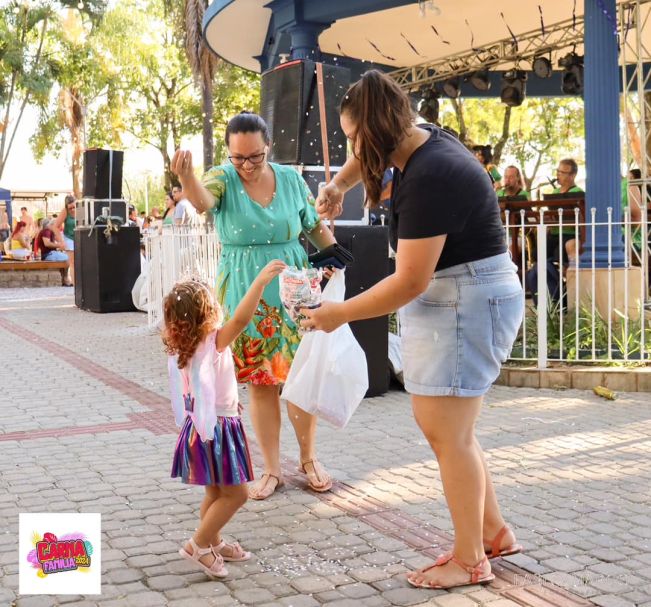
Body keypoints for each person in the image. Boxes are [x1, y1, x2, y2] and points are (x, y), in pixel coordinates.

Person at [306, 70, 524, 590]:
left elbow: (408, 281)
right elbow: (365, 158)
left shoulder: (430, 176)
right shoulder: (414, 134)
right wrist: (338, 185)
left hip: (465, 296)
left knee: (448, 432)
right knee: (451, 430)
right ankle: (492, 533)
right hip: (461, 291)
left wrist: (339, 313)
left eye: (354, 138)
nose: (352, 149)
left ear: (378, 130)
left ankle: (470, 559)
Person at [171, 111, 337, 500]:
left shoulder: (291, 179)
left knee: (299, 377)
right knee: (262, 382)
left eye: (255, 157)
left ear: (268, 148)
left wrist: (336, 257)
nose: (246, 166)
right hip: (245, 288)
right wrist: (187, 177)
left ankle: (309, 459)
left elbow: (312, 224)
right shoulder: (222, 177)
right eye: (239, 158)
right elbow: (202, 201)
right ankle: (272, 469)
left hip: (294, 286)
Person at [162, 260, 286, 578]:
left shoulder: (183, 346)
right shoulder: (212, 341)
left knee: (216, 494)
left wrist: (229, 400)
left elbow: (205, 384)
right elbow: (242, 319)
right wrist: (259, 282)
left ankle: (213, 541)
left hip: (199, 426)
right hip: (216, 430)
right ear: (207, 313)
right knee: (237, 494)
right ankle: (199, 545)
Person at [35, 218, 71, 285]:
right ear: (52, 225)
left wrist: (59, 245)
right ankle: (65, 278)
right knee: (68, 258)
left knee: (65, 258)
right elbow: (47, 244)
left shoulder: (49, 231)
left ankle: (64, 279)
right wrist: (59, 245)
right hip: (48, 255)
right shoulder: (46, 231)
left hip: (49, 254)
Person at [53, 195, 76, 285]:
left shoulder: (81, 209)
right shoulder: (65, 211)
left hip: (79, 237)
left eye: (74, 207)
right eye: (70, 208)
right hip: (69, 237)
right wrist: (61, 241)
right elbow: (55, 227)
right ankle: (75, 285)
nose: (72, 210)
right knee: (72, 262)